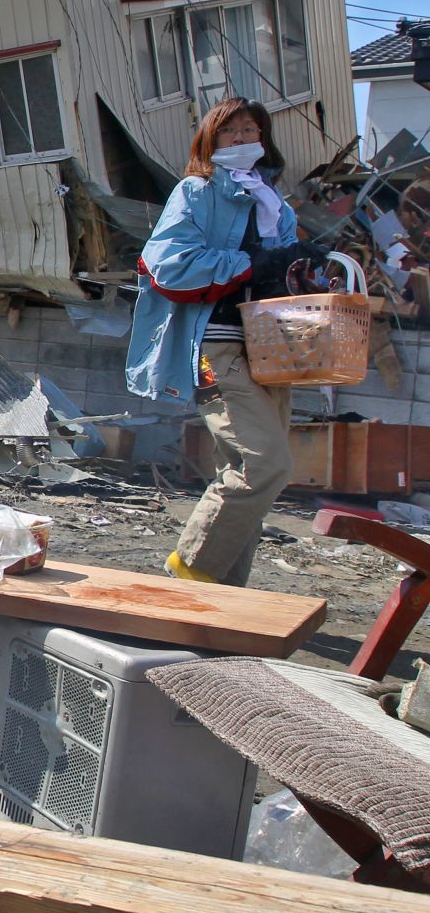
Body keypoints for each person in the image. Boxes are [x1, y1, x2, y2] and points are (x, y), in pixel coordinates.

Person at [127, 96, 317, 586]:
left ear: (262, 139)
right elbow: (169, 263)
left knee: (240, 469)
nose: (241, 139)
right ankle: (188, 569)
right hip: (215, 347)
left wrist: (300, 269)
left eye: (250, 131)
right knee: (265, 463)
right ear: (211, 141)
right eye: (229, 131)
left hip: (270, 349)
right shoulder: (197, 191)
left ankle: (226, 596)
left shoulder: (275, 204)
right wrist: (251, 265)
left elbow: (281, 277)